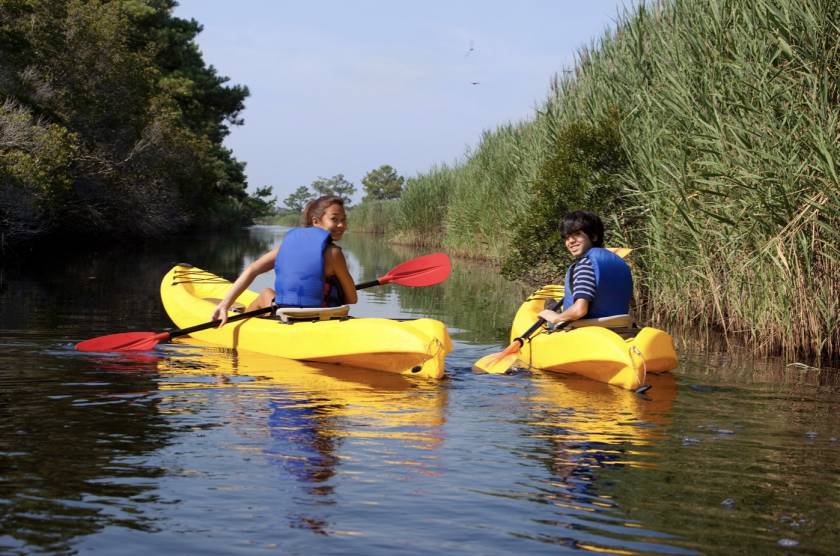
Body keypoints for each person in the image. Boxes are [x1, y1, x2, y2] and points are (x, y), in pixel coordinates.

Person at [211, 195, 358, 327]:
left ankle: (241, 322)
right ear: (316, 221)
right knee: (267, 293)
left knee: (266, 293)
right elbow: (352, 298)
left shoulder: (286, 247)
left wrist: (225, 304)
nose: (341, 225)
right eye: (334, 219)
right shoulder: (334, 253)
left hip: (288, 314)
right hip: (320, 317)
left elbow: (252, 269)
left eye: (343, 219)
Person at [537, 210, 632, 326]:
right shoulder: (618, 262)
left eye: (577, 234)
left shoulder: (585, 264)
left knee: (549, 308)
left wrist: (556, 317)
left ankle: (552, 309)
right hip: (620, 326)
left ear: (593, 236)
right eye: (566, 238)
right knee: (552, 304)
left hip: (587, 330)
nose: (570, 241)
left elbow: (580, 310)